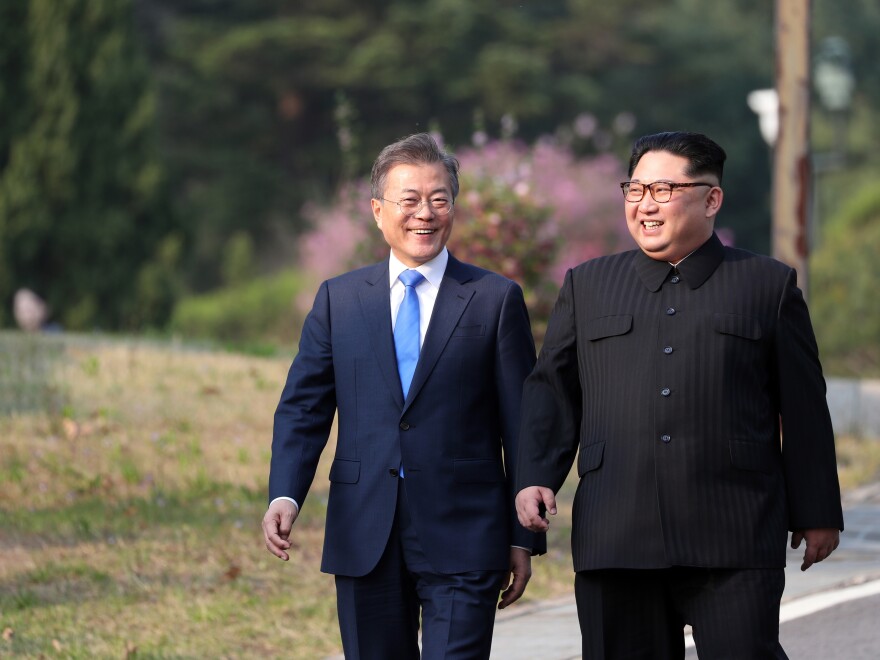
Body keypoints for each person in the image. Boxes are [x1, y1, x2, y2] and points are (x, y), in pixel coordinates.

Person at [515, 131, 843, 659]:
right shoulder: (588, 285)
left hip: (733, 529)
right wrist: (534, 477)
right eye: (635, 188)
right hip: (616, 532)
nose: (645, 203)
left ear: (711, 199)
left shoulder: (767, 285)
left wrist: (818, 508)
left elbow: (803, 408)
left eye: (663, 189)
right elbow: (552, 393)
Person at [262, 132, 543, 659]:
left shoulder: (494, 300)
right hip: (365, 527)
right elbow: (304, 408)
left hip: (466, 530)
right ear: (377, 211)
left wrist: (522, 536)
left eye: (439, 199)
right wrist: (285, 492)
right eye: (409, 200)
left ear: (453, 207)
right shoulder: (339, 300)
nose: (425, 213)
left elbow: (523, 423)